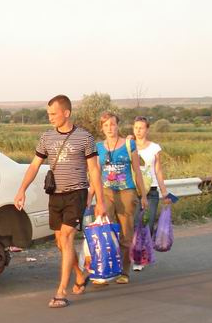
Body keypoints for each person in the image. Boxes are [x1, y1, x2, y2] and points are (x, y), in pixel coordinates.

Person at [14, 95, 105, 308]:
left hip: (77, 194)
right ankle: (80, 275)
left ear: (67, 113)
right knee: (60, 243)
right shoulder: (46, 137)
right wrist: (21, 190)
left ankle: (61, 291)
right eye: (48, 114)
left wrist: (99, 200)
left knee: (66, 238)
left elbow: (93, 169)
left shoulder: (85, 137)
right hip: (55, 194)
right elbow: (35, 165)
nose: (50, 118)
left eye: (53, 114)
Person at [89, 112, 147, 284]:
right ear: (102, 128)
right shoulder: (98, 147)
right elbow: (95, 173)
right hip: (106, 192)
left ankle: (124, 271)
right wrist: (90, 195)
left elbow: (137, 171)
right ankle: (105, 270)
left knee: (125, 233)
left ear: (118, 126)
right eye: (106, 125)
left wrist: (143, 195)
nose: (109, 128)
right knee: (105, 232)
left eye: (112, 124)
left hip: (126, 193)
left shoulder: (129, 145)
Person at [131, 116, 171, 271]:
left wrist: (164, 192)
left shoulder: (154, 148)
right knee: (135, 223)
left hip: (152, 191)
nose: (138, 131)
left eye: (141, 128)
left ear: (147, 129)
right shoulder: (129, 145)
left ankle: (143, 253)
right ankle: (136, 258)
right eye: (136, 128)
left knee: (147, 222)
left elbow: (158, 170)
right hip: (135, 191)